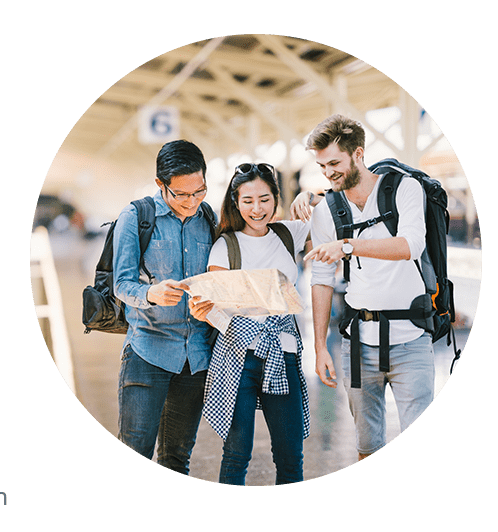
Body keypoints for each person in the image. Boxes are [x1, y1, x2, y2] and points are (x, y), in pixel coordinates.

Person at [303, 114, 435, 461]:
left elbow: (410, 246)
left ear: (358, 154)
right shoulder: (325, 210)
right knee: (367, 446)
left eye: (334, 163)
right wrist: (319, 347)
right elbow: (321, 279)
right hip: (359, 345)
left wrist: (348, 246)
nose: (328, 172)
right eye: (321, 165)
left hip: (412, 339)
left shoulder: (404, 189)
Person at [189, 162, 319, 485]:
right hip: (238, 356)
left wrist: (311, 196)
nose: (257, 209)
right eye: (247, 201)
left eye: (264, 199)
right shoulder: (225, 246)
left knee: (290, 456)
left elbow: (336, 208)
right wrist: (205, 310)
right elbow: (215, 308)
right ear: (235, 202)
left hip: (283, 351)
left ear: (276, 197)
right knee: (236, 454)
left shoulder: (291, 232)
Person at [113, 139, 216, 474]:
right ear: (161, 185)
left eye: (199, 191)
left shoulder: (209, 218)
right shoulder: (136, 216)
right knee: (135, 451)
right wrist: (151, 294)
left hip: (195, 357)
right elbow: (121, 284)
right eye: (182, 194)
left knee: (176, 460)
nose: (192, 202)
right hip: (147, 350)